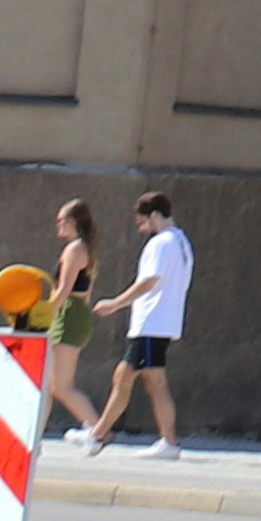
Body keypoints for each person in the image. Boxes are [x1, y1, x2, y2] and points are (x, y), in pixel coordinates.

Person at [82, 190, 192, 453]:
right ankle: (166, 442)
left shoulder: (161, 243)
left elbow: (148, 281)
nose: (142, 229)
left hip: (151, 322)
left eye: (142, 222)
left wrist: (115, 303)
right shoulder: (181, 242)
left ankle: (97, 436)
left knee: (128, 378)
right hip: (162, 323)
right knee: (148, 380)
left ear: (154, 216)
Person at [36, 197, 108, 437]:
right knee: (49, 384)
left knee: (62, 387)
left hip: (68, 315)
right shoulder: (84, 247)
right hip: (72, 314)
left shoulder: (75, 249)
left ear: (73, 221)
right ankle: (34, 435)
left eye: (61, 221)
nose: (58, 225)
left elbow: (64, 288)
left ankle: (99, 431)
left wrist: (44, 316)